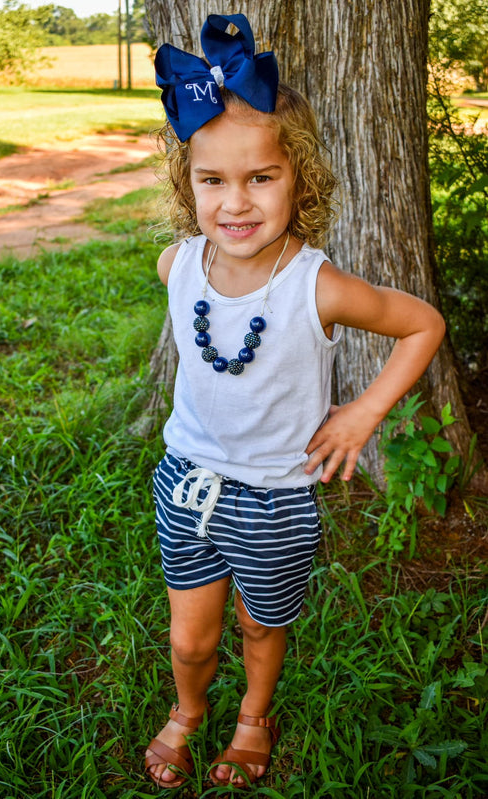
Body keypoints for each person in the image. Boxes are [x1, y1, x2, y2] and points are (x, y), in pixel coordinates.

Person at [144, 12, 446, 790]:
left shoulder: (317, 284)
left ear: (299, 178)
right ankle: (187, 706)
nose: (235, 202)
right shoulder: (176, 264)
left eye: (260, 177)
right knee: (189, 638)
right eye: (212, 180)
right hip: (186, 485)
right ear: (188, 185)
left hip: (275, 498)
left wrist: (362, 410)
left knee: (259, 623)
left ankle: (252, 715)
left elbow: (420, 324)